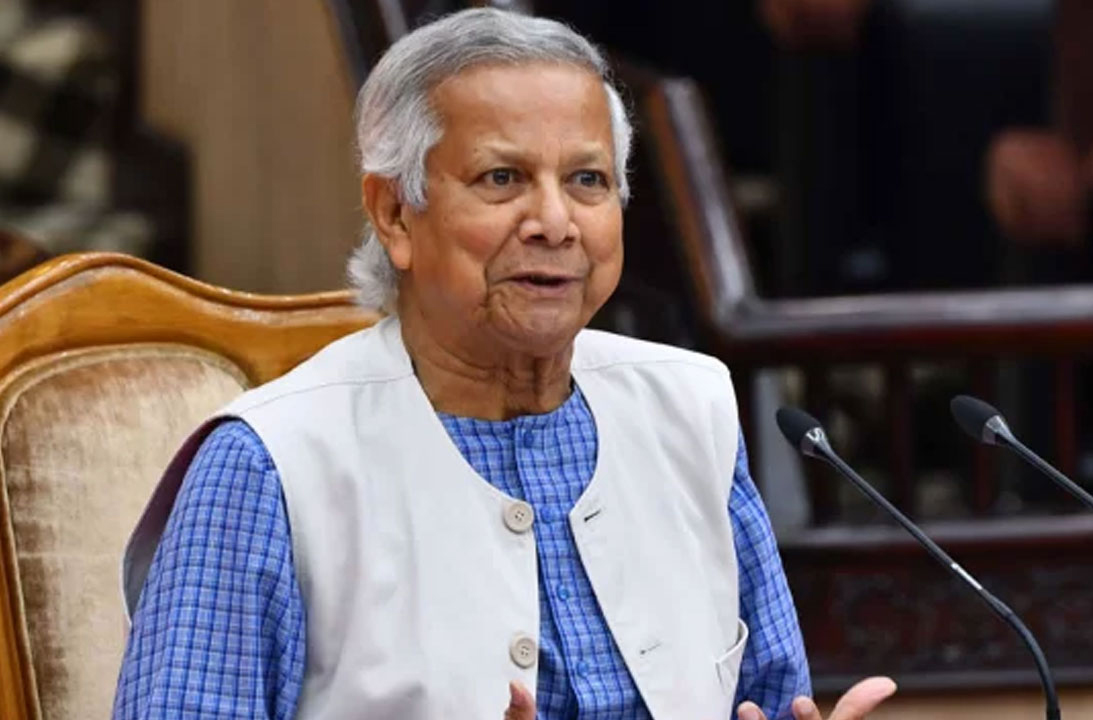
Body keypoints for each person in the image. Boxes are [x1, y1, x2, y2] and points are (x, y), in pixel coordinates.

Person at [112, 8, 895, 720]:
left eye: (587, 180)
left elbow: (771, 698)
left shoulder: (690, 410)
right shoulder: (267, 467)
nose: (554, 222)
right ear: (394, 214)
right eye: (502, 179)